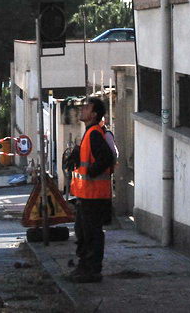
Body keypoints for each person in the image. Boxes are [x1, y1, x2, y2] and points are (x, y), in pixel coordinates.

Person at [68, 96, 114, 283]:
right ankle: (84, 267)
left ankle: (92, 270)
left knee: (91, 233)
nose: (82, 109)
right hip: (87, 194)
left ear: (94, 114)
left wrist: (90, 172)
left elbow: (107, 158)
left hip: (94, 195)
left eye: (87, 107)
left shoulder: (94, 134)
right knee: (83, 232)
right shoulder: (89, 133)